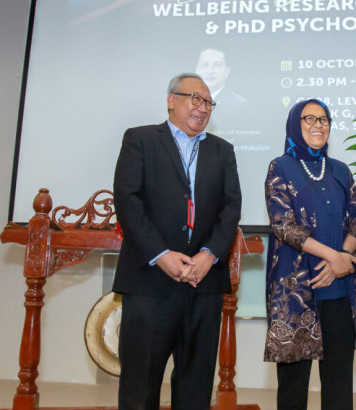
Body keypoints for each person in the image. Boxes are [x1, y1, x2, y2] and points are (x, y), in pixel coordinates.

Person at [112, 73, 242, 410]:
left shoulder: (222, 151)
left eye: (208, 102)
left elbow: (231, 209)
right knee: (140, 385)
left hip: (204, 283)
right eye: (195, 98)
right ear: (171, 99)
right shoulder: (140, 139)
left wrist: (209, 255)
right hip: (150, 280)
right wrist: (160, 254)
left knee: (196, 388)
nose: (203, 107)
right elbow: (128, 200)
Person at [263, 99, 356, 410]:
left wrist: (343, 257)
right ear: (294, 125)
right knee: (293, 387)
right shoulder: (280, 167)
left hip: (339, 290)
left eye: (324, 119)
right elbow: (283, 225)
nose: (318, 125)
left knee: (339, 383)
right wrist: (335, 257)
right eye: (309, 118)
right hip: (297, 288)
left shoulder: (341, 170)